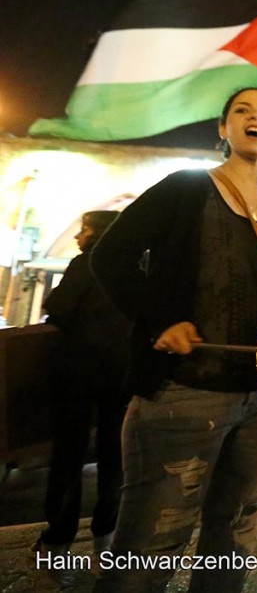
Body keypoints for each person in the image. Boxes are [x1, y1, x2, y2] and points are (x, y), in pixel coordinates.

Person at [90, 87, 257, 592]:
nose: (256, 118)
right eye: (242, 111)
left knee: (232, 537)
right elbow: (110, 255)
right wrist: (161, 321)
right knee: (152, 543)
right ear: (223, 129)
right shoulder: (184, 188)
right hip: (186, 392)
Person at [33, 211, 131, 575]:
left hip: (77, 375)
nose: (78, 236)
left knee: (68, 460)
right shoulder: (136, 265)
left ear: (98, 233)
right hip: (121, 377)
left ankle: (58, 544)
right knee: (114, 460)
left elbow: (57, 308)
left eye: (84, 229)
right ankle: (107, 540)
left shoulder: (85, 263)